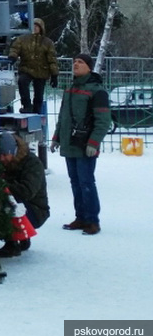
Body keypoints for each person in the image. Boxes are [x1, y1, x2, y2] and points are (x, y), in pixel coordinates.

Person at [51, 53, 112, 236]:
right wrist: (56, 137)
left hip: (85, 145)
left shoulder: (97, 91)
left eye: (80, 62)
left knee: (86, 182)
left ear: (89, 67)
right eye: (74, 61)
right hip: (70, 143)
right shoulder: (70, 89)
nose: (75, 64)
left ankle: (93, 221)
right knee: (75, 183)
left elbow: (103, 120)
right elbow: (63, 116)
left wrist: (94, 142)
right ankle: (81, 217)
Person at [0, 131, 49, 257]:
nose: (1, 159)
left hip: (35, 210)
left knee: (8, 204)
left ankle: (12, 243)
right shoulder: (4, 163)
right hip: (25, 206)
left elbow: (27, 191)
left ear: (13, 151)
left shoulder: (32, 163)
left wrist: (2, 186)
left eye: (4, 154)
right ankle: (22, 237)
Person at [7, 18, 59, 113]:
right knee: (22, 82)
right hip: (26, 68)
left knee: (39, 93)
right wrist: (12, 57)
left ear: (41, 28)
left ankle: (37, 110)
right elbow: (15, 49)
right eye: (33, 26)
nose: (35, 28)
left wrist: (54, 75)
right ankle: (27, 105)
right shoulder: (22, 39)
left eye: (37, 26)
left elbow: (52, 59)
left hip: (42, 71)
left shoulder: (47, 42)